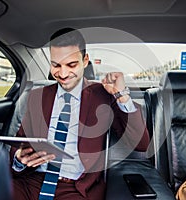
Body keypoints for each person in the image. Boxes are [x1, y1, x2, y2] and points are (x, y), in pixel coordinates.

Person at [9, 27, 150, 200]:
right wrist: (18, 159)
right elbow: (20, 142)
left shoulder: (103, 95)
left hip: (75, 188)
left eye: (71, 65)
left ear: (85, 61)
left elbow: (141, 144)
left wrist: (121, 96)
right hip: (29, 182)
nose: (62, 73)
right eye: (56, 65)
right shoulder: (37, 96)